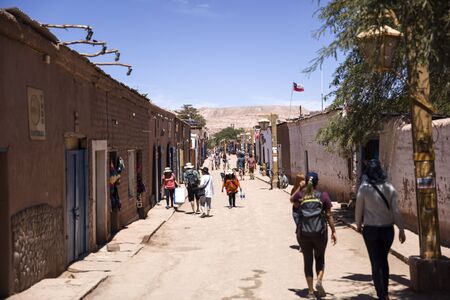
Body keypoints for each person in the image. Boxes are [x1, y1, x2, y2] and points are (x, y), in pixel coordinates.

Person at [356, 159, 406, 300]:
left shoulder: (364, 188)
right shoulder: (390, 187)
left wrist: (358, 224)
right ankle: (385, 293)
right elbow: (396, 211)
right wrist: (401, 229)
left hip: (370, 230)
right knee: (384, 259)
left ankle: (381, 294)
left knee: (375, 261)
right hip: (387, 230)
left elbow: (358, 209)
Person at [290, 172, 337, 299]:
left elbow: (291, 201)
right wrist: (333, 231)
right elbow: (328, 215)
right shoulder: (324, 196)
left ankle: (310, 292)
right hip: (320, 233)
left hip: (304, 234)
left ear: (305, 182)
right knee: (320, 258)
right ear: (317, 182)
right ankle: (319, 281)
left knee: (307, 260)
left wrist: (300, 188)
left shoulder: (301, 195)